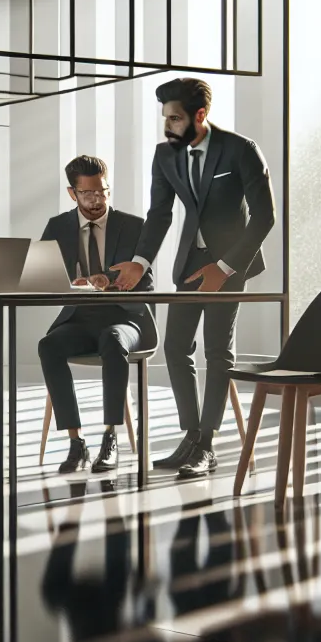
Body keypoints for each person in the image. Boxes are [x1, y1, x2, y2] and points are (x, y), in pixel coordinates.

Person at [110, 77, 276, 479]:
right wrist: (140, 261)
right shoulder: (165, 156)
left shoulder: (240, 150)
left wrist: (225, 267)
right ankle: (191, 435)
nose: (167, 126)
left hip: (229, 266)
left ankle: (207, 446)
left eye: (175, 118)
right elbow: (159, 215)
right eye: (165, 117)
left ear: (200, 115)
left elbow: (264, 217)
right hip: (188, 263)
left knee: (218, 352)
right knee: (175, 347)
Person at [36, 155, 158, 474]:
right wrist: (69, 285)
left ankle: (110, 437)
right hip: (79, 318)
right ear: (72, 193)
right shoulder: (57, 227)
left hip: (126, 318)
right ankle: (76, 443)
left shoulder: (133, 227)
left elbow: (147, 283)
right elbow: (43, 280)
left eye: (102, 191)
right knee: (48, 346)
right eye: (88, 193)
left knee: (112, 339)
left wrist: (111, 281)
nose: (97, 199)